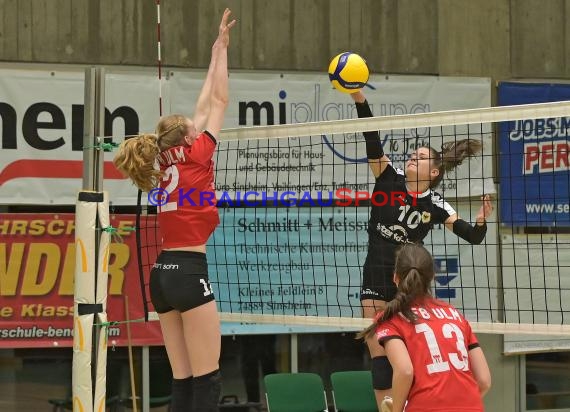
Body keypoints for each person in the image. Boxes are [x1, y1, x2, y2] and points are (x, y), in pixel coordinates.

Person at [113, 9, 236, 412]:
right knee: (208, 380)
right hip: (187, 271)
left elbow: (202, 104)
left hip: (161, 276)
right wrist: (222, 53)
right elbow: (217, 100)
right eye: (194, 129)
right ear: (188, 136)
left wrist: (218, 48)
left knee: (183, 379)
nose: (201, 130)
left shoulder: (165, 158)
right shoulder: (199, 153)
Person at [349, 90, 494, 408]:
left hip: (408, 283)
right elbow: (372, 140)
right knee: (378, 349)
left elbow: (472, 236)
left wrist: (482, 221)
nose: (413, 157)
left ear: (434, 174)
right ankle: (386, 406)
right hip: (375, 276)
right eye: (413, 154)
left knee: (410, 352)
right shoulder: (388, 178)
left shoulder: (437, 206)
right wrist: (360, 99)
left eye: (421, 157)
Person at [358, 243, 492, 412]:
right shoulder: (454, 314)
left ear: (395, 278)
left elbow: (405, 371)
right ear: (432, 276)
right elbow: (484, 380)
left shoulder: (389, 318)